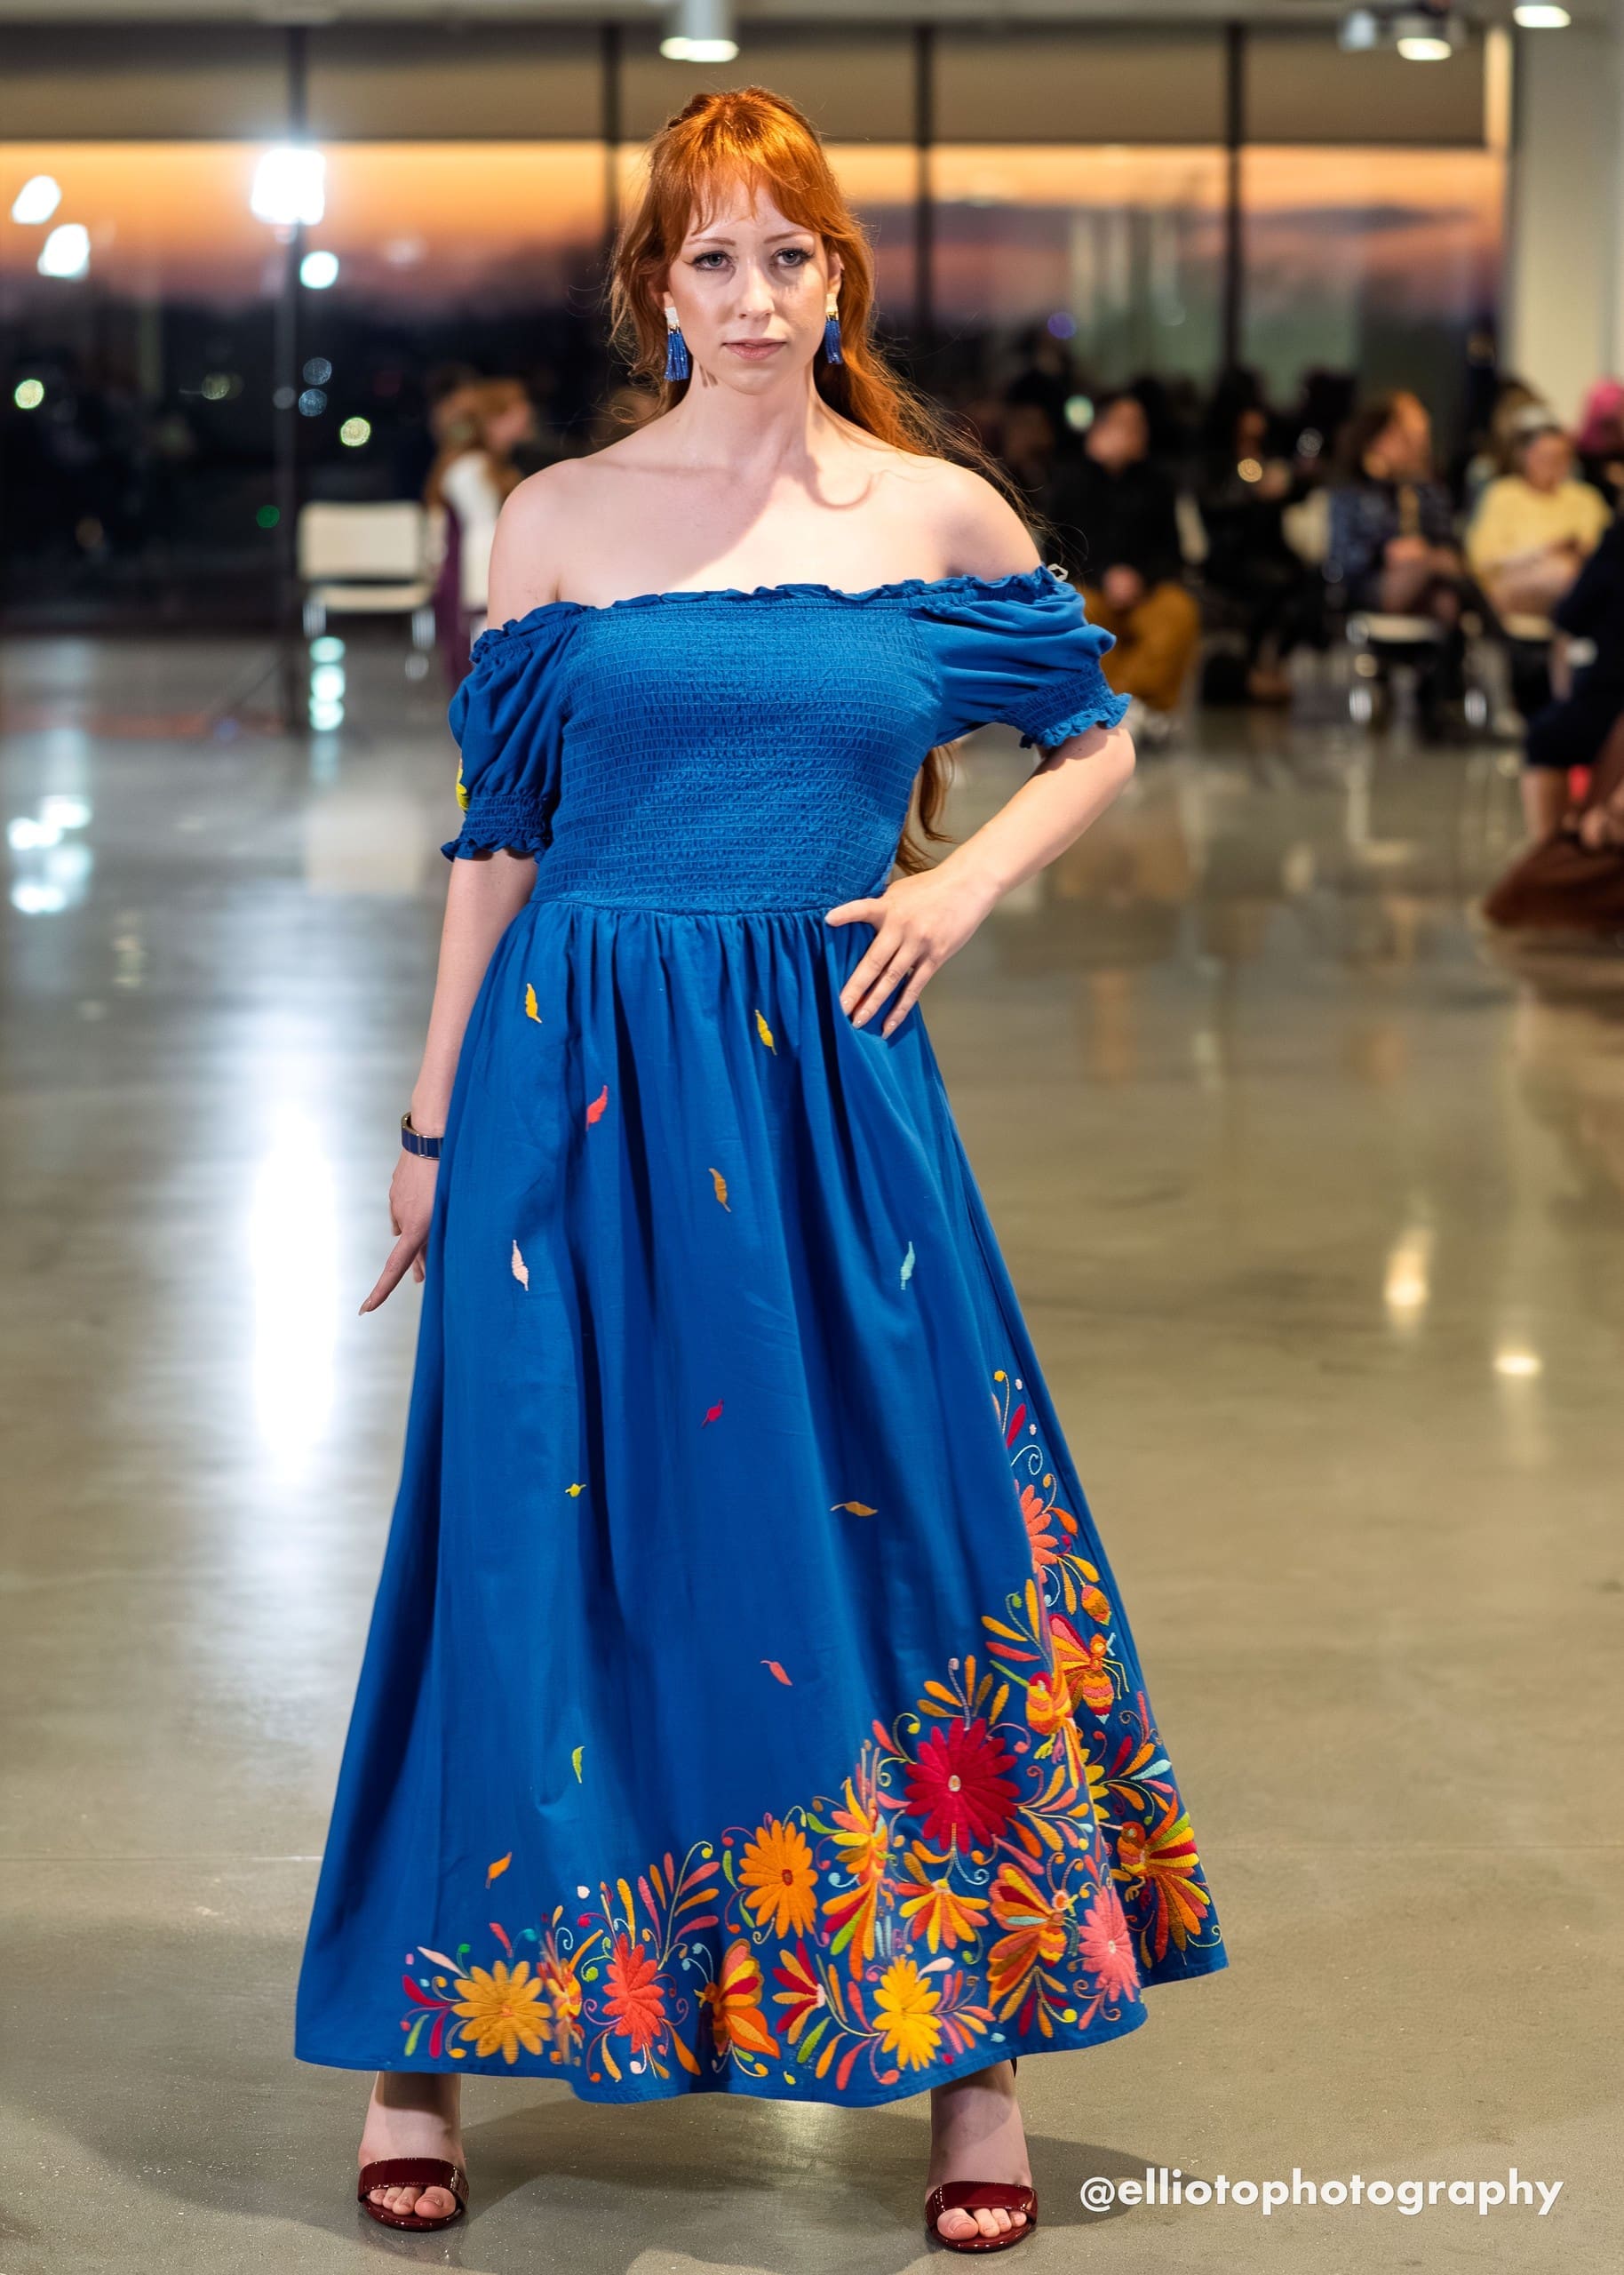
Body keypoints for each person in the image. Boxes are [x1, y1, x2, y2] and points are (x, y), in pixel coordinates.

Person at [294, 84, 1224, 2258]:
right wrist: (429, 1128)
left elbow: (1097, 734)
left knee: (906, 1520)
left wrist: (961, 885)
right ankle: (427, 2035)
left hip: (828, 1088)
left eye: (783, 255)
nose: (746, 294)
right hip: (572, 1080)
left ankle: (972, 2057)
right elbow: (498, 846)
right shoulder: (559, 522)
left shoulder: (933, 512)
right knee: (523, 1543)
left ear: (835, 281)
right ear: (657, 286)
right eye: (707, 257)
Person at [1044, 391, 1201, 725]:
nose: (1132, 433)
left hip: (1145, 590)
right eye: (1122, 424)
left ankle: (1124, 701)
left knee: (1179, 612)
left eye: (1138, 426)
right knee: (1077, 612)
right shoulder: (1073, 480)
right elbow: (1057, 549)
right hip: (1091, 584)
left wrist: (1139, 578)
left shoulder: (1158, 483)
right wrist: (1104, 576)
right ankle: (1109, 704)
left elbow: (1171, 551)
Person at [1466, 420, 1611, 715]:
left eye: (1560, 457)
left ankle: (1571, 698)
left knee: (1577, 584)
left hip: (1569, 590)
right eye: (1544, 456)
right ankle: (1564, 696)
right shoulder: (1504, 494)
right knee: (1567, 579)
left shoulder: (1585, 499)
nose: (1552, 465)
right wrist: (1543, 552)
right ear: (1525, 457)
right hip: (1511, 587)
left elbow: (1605, 552)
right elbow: (1482, 559)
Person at [1512, 513, 1624, 842]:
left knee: (1544, 740)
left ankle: (1550, 851)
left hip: (1610, 692)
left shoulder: (1617, 543)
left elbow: (1570, 617)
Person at [426, 379, 537, 685]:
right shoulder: (471, 469)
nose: (527, 414)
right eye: (517, 409)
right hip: (473, 580)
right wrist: (487, 592)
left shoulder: (489, 466)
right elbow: (482, 533)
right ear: (494, 420)